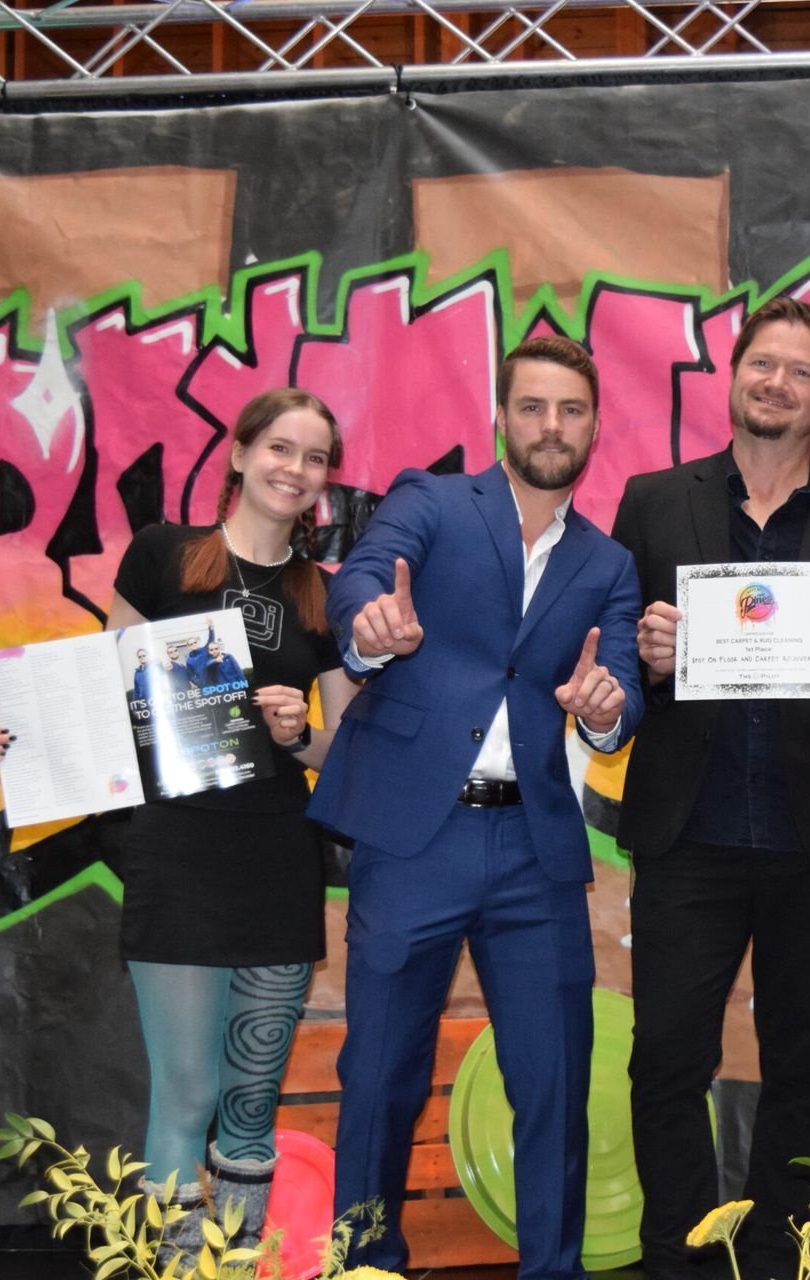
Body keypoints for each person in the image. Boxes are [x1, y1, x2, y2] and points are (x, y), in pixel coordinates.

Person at [0, 386, 359, 1259]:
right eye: (281, 449)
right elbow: (101, 704)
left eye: (315, 458)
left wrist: (301, 737)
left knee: (251, 1109)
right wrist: (19, 743)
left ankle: (234, 1268)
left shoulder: (323, 596)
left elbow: (347, 752)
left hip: (276, 867)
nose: (296, 470)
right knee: (184, 1100)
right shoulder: (162, 556)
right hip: (176, 861)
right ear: (239, 452)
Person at [307, 335, 643, 1277]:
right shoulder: (435, 499)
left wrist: (610, 711)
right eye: (533, 406)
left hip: (534, 851)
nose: (551, 425)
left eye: (571, 410)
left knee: (555, 1082)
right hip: (415, 837)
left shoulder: (608, 562)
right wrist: (371, 627)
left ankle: (553, 1268)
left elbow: (619, 681)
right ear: (501, 417)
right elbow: (369, 576)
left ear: (592, 427)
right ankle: (366, 1260)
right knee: (379, 1073)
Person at [611, 296, 810, 1280]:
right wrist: (648, 654)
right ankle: (680, 1261)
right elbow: (615, 655)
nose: (775, 382)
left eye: (799, 371)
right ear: (733, 374)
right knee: (665, 1060)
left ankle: (782, 1259)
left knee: (798, 1070)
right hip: (686, 832)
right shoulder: (654, 500)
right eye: (762, 364)